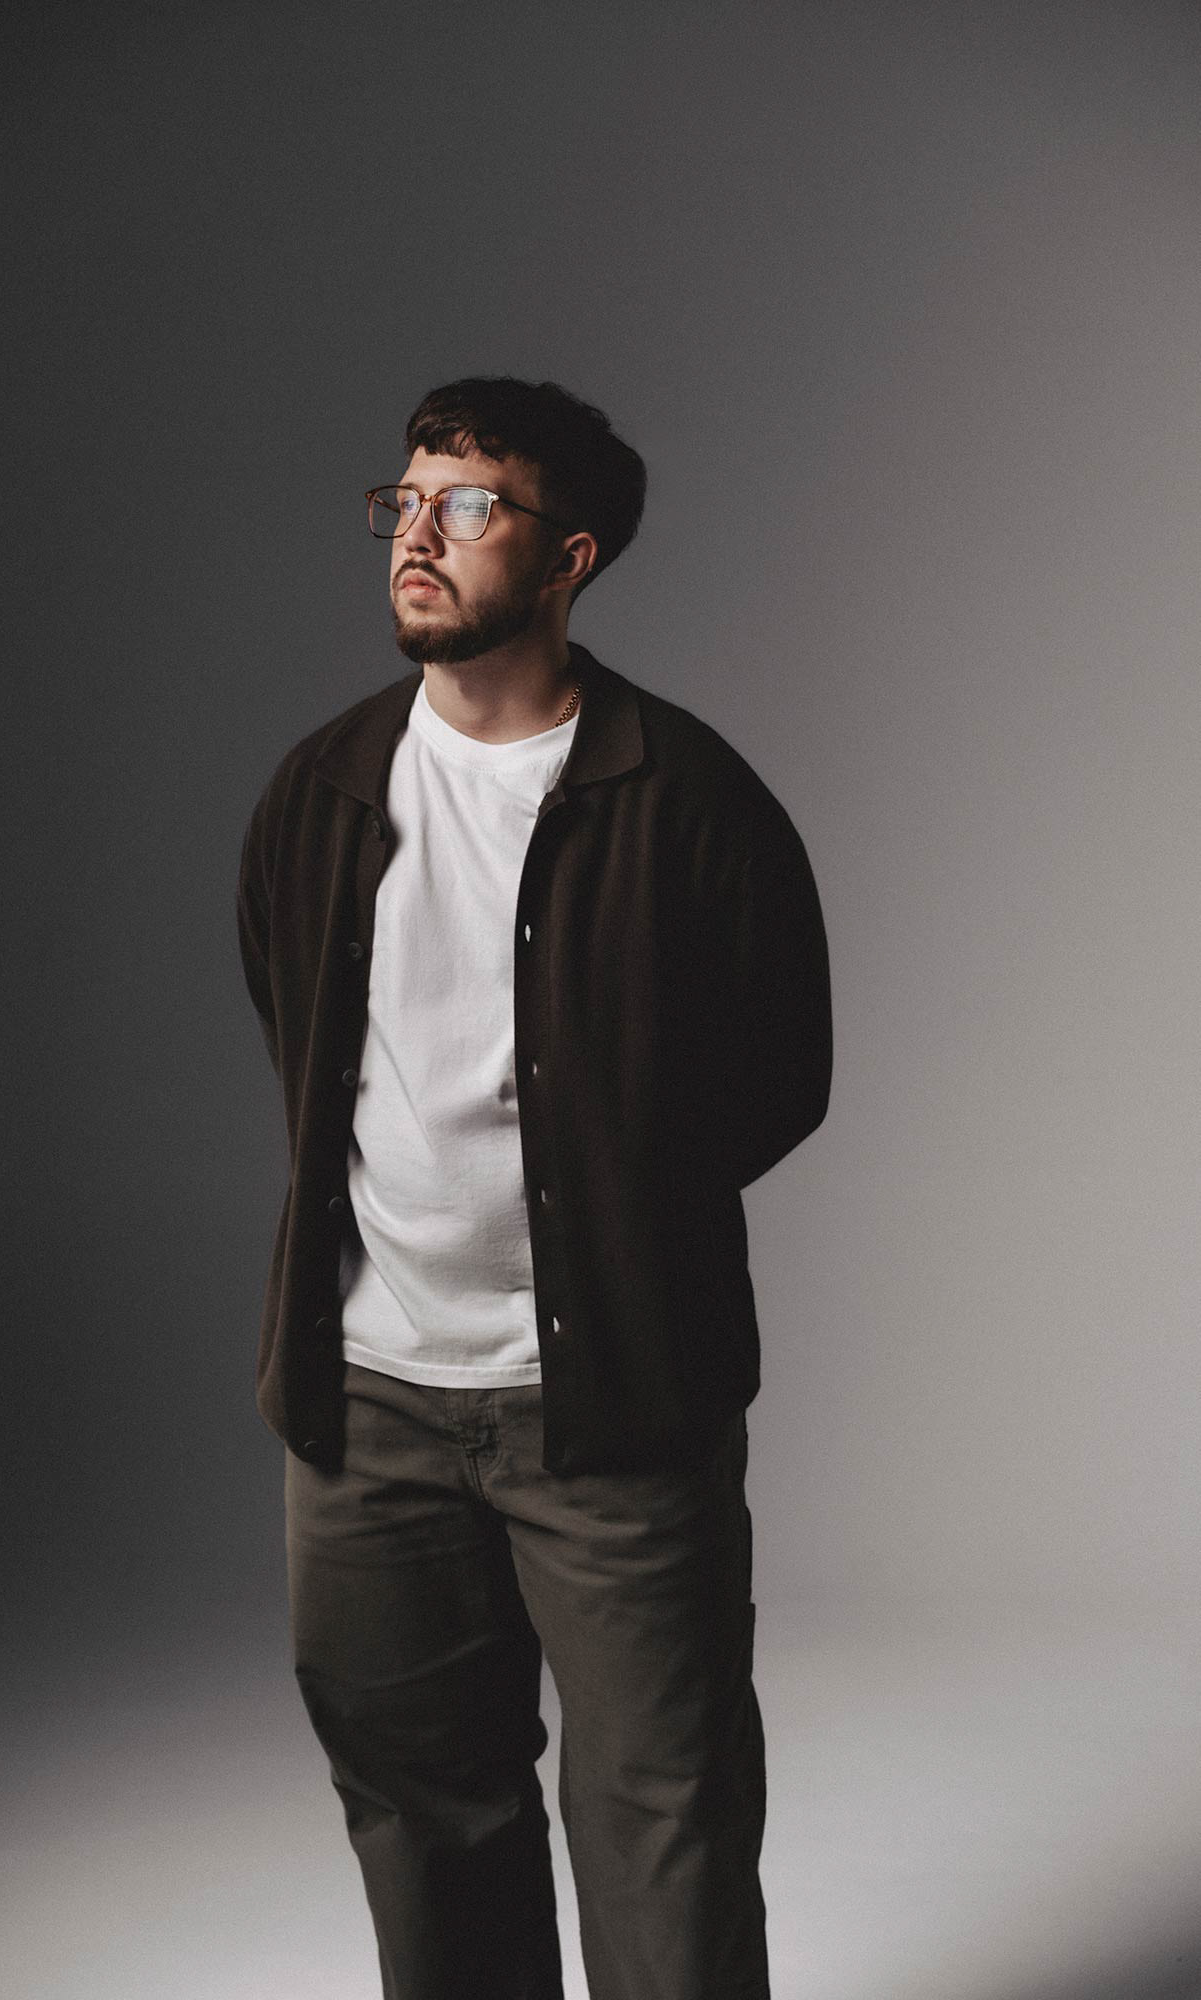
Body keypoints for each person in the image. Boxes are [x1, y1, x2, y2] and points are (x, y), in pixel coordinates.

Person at [235, 375, 833, 2000]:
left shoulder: (686, 797)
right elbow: (300, 1031)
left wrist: (610, 1213)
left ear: (570, 558)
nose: (415, 536)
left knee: (663, 1823)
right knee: (421, 1817)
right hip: (367, 1407)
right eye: (404, 501)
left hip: (616, 1406)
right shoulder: (322, 790)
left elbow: (779, 1074)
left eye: (468, 507)